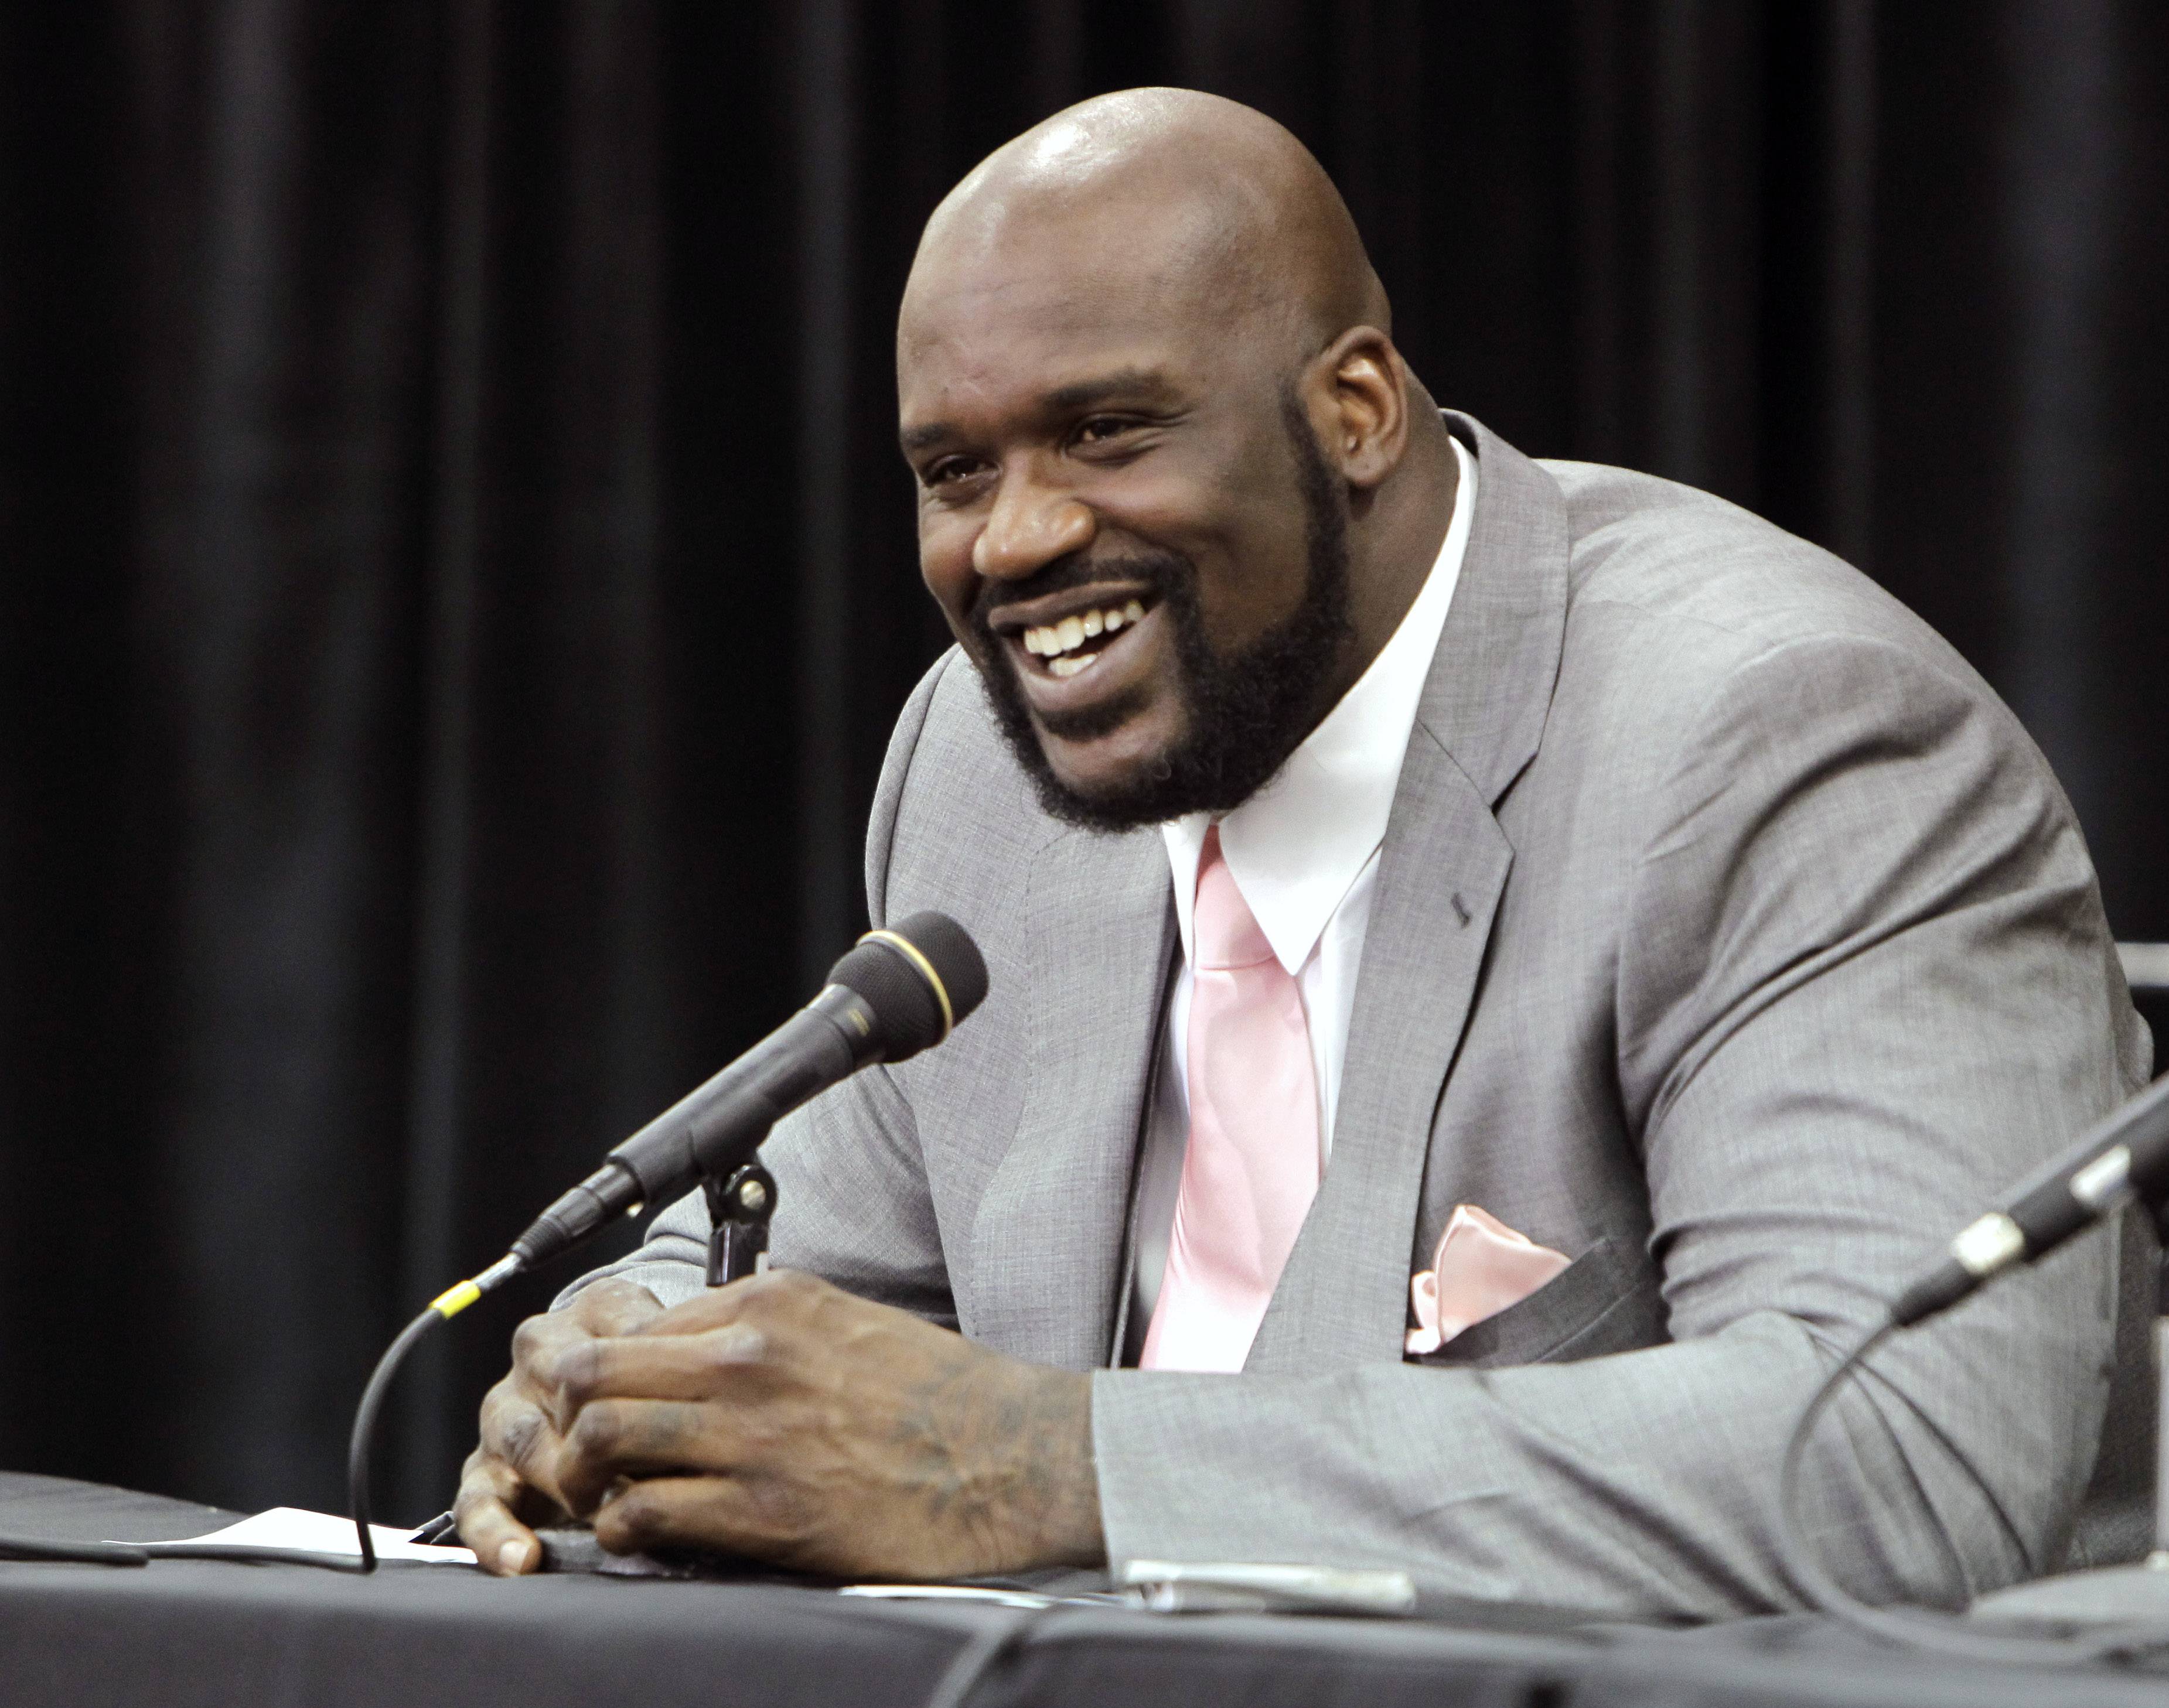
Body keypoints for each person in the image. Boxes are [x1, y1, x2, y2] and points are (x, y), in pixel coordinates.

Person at [451, 89, 2148, 1618]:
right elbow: (803, 1257)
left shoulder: (1780, 737)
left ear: (1353, 410)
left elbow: (1896, 1452)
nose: (1019, 539)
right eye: (955, 470)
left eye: (1110, 431)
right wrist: (622, 1383)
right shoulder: (982, 756)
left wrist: (1054, 1464)